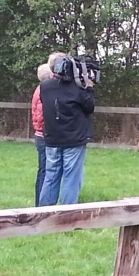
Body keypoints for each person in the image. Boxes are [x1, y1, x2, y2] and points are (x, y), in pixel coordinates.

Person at [38, 52, 95, 206]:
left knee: (51, 176)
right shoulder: (77, 88)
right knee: (71, 177)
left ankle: (44, 214)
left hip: (52, 139)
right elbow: (89, 107)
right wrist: (88, 88)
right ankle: (67, 216)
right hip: (73, 140)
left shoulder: (44, 87)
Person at [31, 63, 53, 206]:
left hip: (40, 135)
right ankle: (41, 205)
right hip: (43, 135)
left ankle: (40, 203)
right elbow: (42, 116)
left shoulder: (39, 90)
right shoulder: (44, 92)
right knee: (45, 171)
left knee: (43, 170)